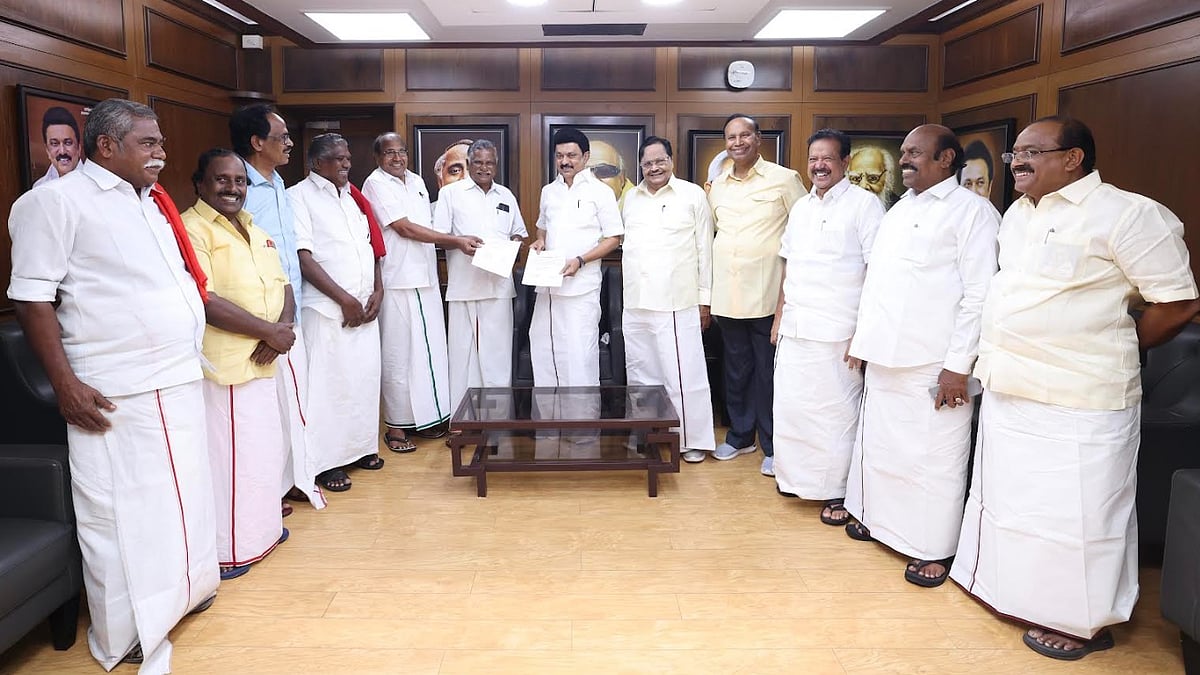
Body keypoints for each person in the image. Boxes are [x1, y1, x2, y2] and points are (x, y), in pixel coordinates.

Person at [950, 117, 1200, 660]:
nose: (1017, 160)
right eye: (1015, 153)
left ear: (1073, 158)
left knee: (1081, 515)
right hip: (1010, 386)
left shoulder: (1129, 213)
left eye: (1032, 152)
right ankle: (1008, 591)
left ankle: (1082, 621)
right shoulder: (1019, 213)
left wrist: (1117, 340)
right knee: (1015, 503)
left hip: (1082, 395)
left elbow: (1179, 302)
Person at [7, 98, 218, 672]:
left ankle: (183, 593)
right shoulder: (54, 202)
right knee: (123, 513)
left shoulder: (149, 201)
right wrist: (65, 385)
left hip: (176, 376)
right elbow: (31, 298)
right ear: (106, 146)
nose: (161, 152)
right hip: (114, 390)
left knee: (181, 498)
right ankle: (126, 632)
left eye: (160, 142)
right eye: (148, 143)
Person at [844, 124, 1000, 588]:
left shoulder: (973, 212)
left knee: (935, 456)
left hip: (936, 361)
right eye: (904, 152)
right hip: (885, 355)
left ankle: (932, 548)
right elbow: (878, 283)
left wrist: (958, 366)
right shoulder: (898, 209)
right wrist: (863, 341)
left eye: (915, 152)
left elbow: (979, 295)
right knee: (882, 447)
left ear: (946, 158)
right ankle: (881, 523)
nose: (905, 160)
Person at [181, 149, 292, 580]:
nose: (232, 188)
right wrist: (268, 332)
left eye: (239, 180)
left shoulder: (255, 228)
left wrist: (280, 331)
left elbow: (284, 284)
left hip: (265, 359)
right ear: (200, 184)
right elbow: (204, 299)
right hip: (227, 365)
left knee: (262, 453)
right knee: (231, 460)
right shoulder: (192, 229)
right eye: (221, 179)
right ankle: (231, 550)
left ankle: (264, 531)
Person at [770, 129, 884, 522]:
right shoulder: (801, 207)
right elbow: (789, 265)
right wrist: (779, 316)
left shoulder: (865, 206)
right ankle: (796, 480)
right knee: (794, 408)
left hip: (839, 331)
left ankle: (836, 491)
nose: (819, 166)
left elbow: (877, 273)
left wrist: (863, 334)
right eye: (813, 159)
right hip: (796, 326)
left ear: (845, 162)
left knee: (835, 414)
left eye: (827, 159)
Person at [229, 104, 325, 513]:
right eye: (281, 137)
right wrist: (268, 327)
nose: (289, 144)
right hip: (261, 322)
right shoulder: (240, 190)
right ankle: (267, 491)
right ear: (256, 142)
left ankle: (292, 480)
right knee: (263, 412)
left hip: (288, 316)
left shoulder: (279, 182)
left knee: (293, 405)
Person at [363, 132, 482, 446]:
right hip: (398, 280)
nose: (397, 158)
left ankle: (426, 418)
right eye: (389, 152)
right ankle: (396, 426)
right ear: (378, 157)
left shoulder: (416, 181)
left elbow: (431, 225)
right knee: (398, 356)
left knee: (429, 355)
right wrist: (456, 241)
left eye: (401, 151)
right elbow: (404, 228)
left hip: (426, 279)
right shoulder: (375, 183)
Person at [706, 113, 806, 476]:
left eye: (744, 135)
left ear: (758, 138)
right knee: (735, 371)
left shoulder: (784, 179)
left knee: (768, 374)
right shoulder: (717, 186)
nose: (738, 142)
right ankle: (740, 436)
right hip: (728, 295)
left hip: (767, 296)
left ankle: (774, 445)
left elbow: (805, 229)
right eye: (731, 137)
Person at [288, 133, 385, 492]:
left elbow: (371, 248)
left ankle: (359, 449)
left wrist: (378, 290)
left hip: (364, 307)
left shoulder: (352, 197)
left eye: (347, 158)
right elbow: (303, 257)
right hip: (328, 309)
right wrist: (344, 299)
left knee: (362, 382)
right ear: (316, 163)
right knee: (329, 388)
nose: (346, 163)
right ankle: (327, 462)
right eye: (338, 158)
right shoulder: (298, 197)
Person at [620, 136, 716, 463]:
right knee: (641, 374)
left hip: (677, 301)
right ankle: (647, 435)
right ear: (640, 166)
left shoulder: (692, 195)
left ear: (671, 161)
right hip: (636, 301)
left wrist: (705, 301)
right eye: (647, 163)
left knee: (683, 375)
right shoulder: (630, 199)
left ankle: (690, 440)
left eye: (659, 161)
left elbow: (705, 250)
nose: (654, 168)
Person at [432, 139, 527, 406]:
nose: (484, 168)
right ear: (469, 163)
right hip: (464, 287)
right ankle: (462, 419)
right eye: (478, 162)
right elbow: (439, 237)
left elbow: (519, 233)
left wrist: (515, 244)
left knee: (498, 357)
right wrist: (460, 242)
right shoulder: (451, 193)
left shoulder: (506, 195)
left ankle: (497, 421)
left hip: (499, 288)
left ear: (496, 165)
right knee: (462, 358)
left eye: (489, 163)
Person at [529, 127, 624, 389]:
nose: (565, 161)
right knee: (544, 352)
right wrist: (540, 241)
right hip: (548, 289)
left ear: (585, 157)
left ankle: (582, 417)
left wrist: (580, 260)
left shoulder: (600, 192)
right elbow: (542, 228)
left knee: (579, 358)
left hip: (582, 290)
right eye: (559, 156)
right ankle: (549, 416)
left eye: (571, 155)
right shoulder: (548, 191)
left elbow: (614, 238)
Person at [32, 106, 83, 187]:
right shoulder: (39, 187)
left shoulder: (94, 185)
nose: (62, 151)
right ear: (47, 150)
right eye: (55, 144)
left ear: (79, 148)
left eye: (68, 143)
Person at [847, 145, 901, 210]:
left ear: (887, 176)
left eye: (872, 178)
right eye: (855, 179)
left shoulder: (900, 207)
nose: (863, 186)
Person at [587, 139, 636, 207]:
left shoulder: (641, 208)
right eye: (582, 173)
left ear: (621, 179)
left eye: (603, 171)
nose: (592, 180)